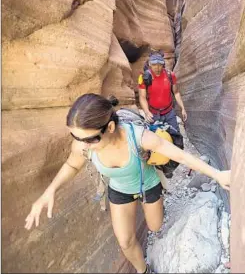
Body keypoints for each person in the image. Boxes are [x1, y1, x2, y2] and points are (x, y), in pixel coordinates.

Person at [25, 93, 230, 274]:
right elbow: (72, 164)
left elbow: (182, 157)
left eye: (89, 139)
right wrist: (49, 191)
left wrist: (217, 174)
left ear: (111, 127)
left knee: (155, 226)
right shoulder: (83, 144)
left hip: (147, 184)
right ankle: (143, 270)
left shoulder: (139, 137)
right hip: (119, 190)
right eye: (75, 137)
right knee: (125, 241)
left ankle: (156, 204)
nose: (81, 144)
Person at [138, 51, 187, 147]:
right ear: (149, 64)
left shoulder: (170, 75)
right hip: (153, 114)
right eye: (154, 65)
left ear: (163, 64)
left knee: (176, 138)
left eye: (160, 64)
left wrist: (183, 108)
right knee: (155, 141)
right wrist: (147, 112)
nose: (157, 67)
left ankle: (176, 159)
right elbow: (142, 97)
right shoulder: (144, 78)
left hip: (169, 113)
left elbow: (176, 92)